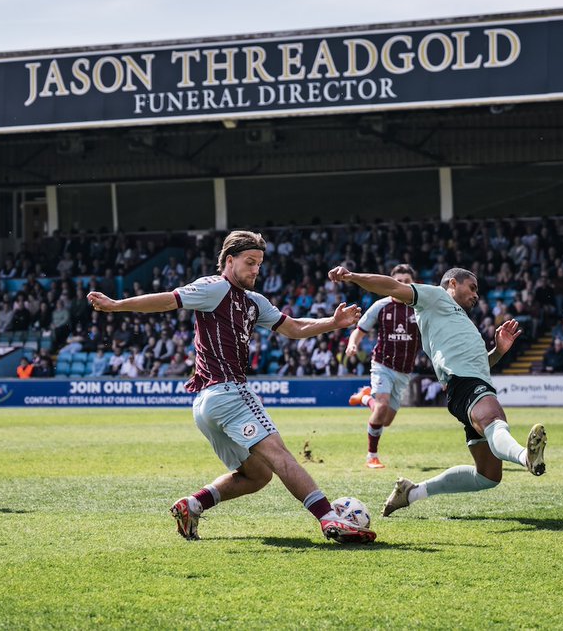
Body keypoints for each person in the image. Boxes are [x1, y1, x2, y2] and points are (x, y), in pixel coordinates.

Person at [87, 230, 375, 544]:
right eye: (249, 262)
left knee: (258, 475)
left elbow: (293, 327)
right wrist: (117, 305)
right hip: (229, 392)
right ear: (228, 260)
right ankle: (329, 519)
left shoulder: (253, 302)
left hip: (207, 405)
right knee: (280, 455)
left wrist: (332, 323)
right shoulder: (215, 287)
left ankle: (192, 504)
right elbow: (169, 300)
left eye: (259, 264)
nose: (255, 270)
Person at [328, 264, 546, 518]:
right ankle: (525, 457)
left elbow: (481, 365)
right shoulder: (436, 296)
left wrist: (498, 351)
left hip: (467, 386)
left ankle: (412, 492)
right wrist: (353, 276)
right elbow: (392, 287)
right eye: (472, 287)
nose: (476, 295)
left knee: (488, 476)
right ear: (453, 283)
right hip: (465, 385)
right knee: (494, 420)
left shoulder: (456, 318)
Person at [344, 264, 422, 469]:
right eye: (400, 281)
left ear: (413, 283)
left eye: (407, 281)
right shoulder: (381, 306)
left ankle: (365, 397)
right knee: (382, 405)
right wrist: (353, 344)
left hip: (404, 370)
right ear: (392, 282)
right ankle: (372, 456)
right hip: (382, 363)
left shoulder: (420, 307)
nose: (403, 284)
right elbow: (359, 330)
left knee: (385, 419)